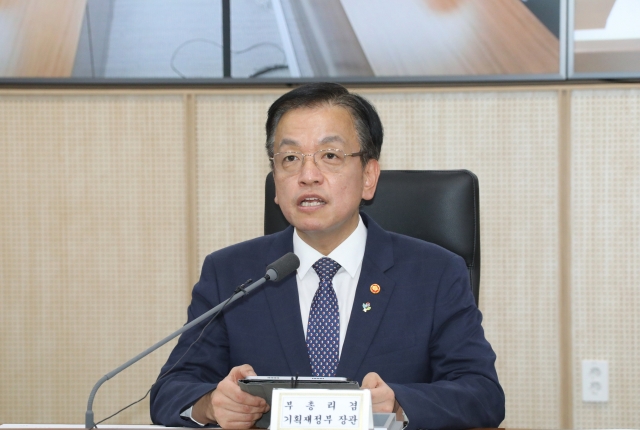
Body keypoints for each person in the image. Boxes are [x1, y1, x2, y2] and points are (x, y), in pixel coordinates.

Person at [150, 83, 505, 429]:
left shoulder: (435, 273)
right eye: (290, 158)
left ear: (369, 176)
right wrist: (212, 404)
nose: (307, 176)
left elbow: (482, 394)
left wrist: (399, 405)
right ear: (275, 180)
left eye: (330, 156)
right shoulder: (231, 272)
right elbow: (170, 390)